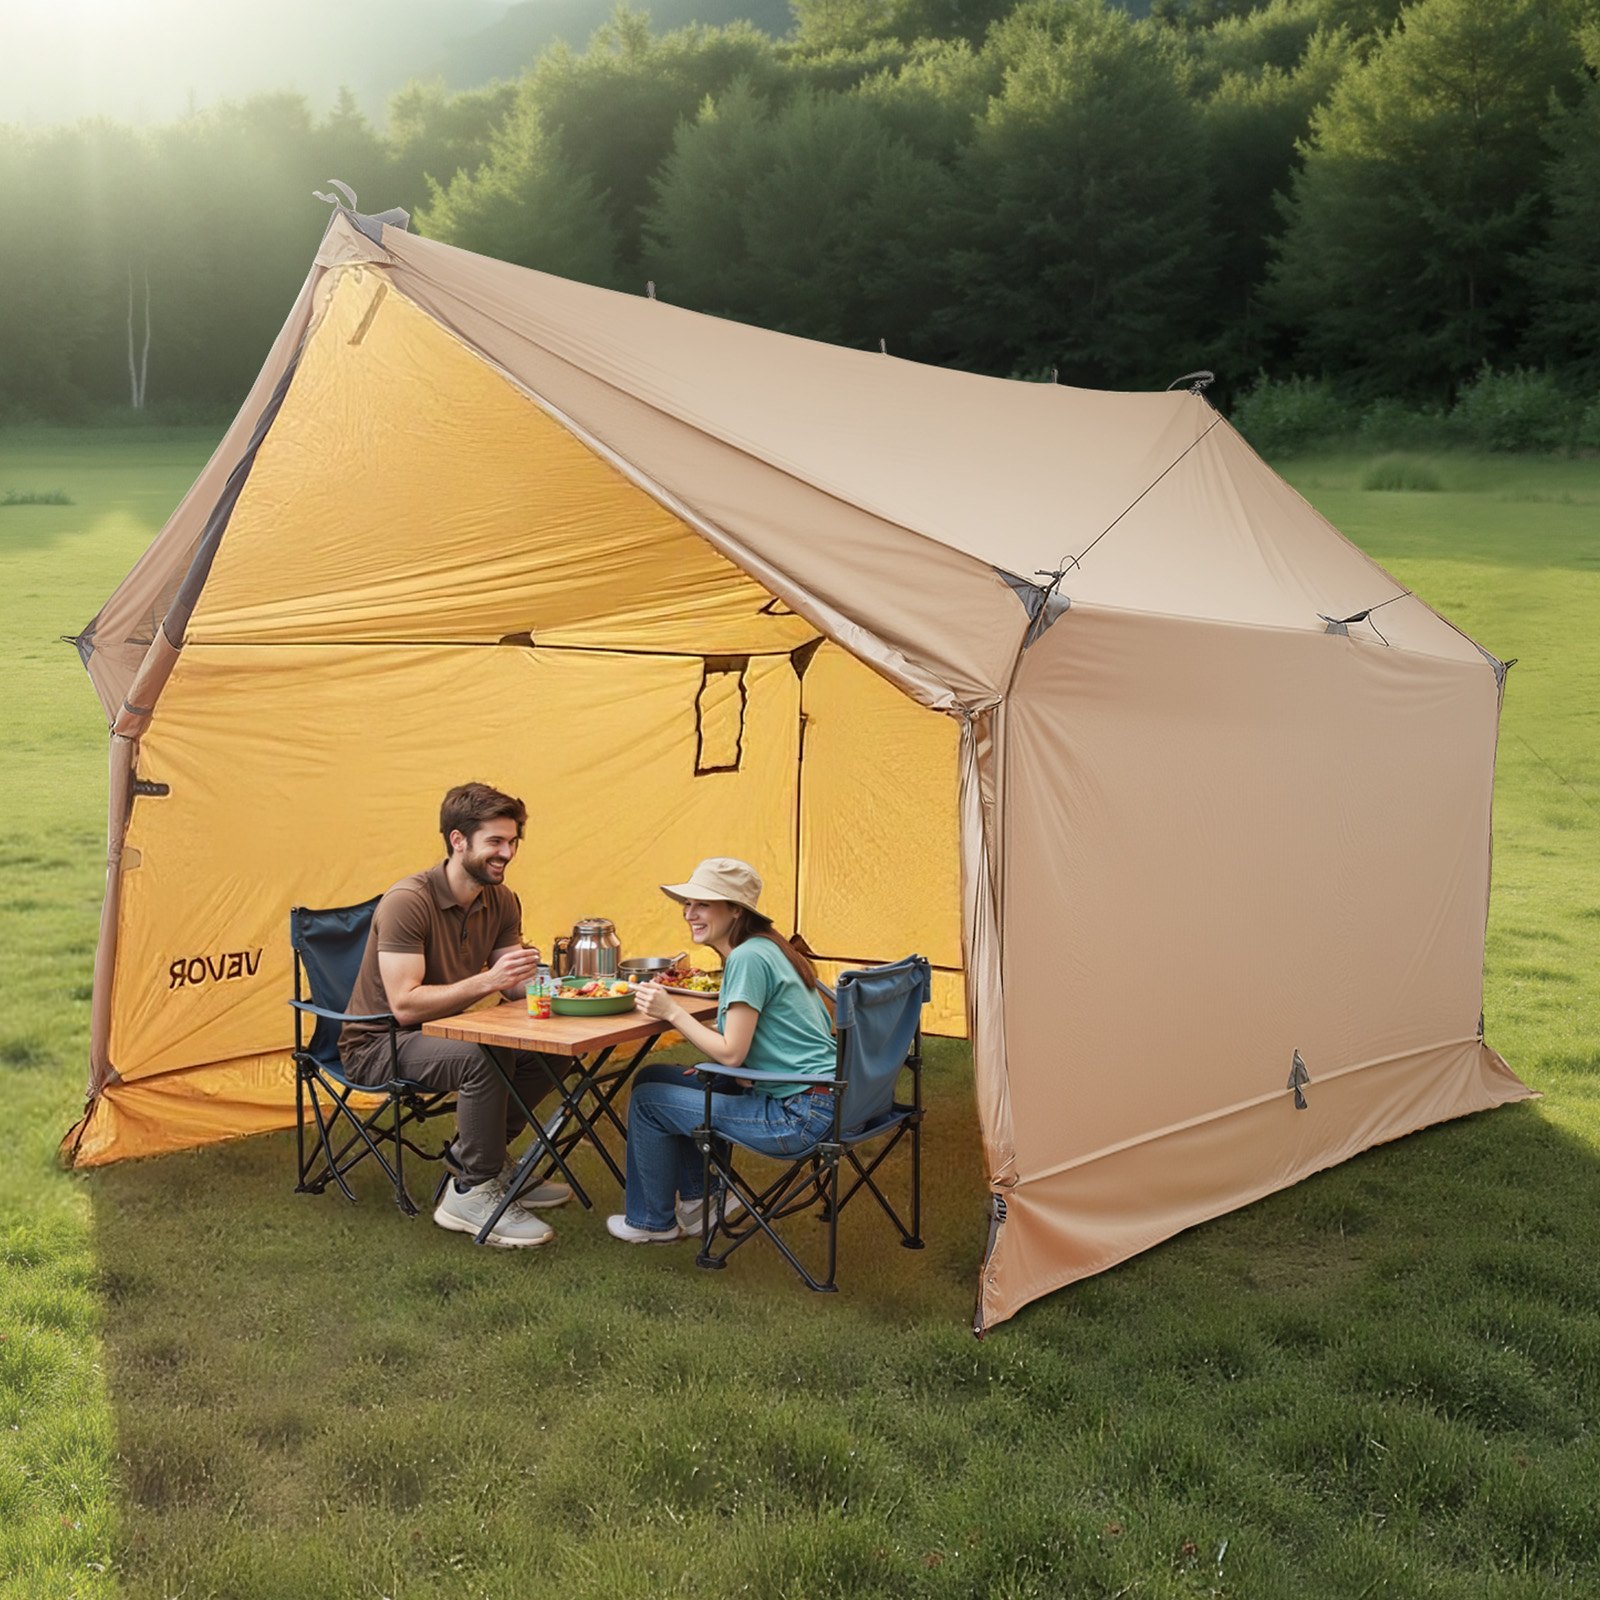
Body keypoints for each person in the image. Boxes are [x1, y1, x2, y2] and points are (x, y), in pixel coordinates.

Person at [340, 782, 570, 1248]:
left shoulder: (501, 899)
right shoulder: (408, 901)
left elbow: (512, 985)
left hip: (445, 1033)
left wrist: (569, 989)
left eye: (513, 842)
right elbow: (404, 1004)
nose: (507, 853)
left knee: (554, 1049)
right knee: (483, 1057)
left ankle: (489, 1162)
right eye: (496, 842)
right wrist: (487, 981)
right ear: (458, 840)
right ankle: (470, 1191)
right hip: (380, 1043)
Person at [607, 857, 837, 1243]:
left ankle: (651, 1222)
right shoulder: (767, 947)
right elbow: (755, 1038)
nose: (689, 914)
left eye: (703, 904)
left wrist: (671, 1011)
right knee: (654, 1077)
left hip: (799, 1117)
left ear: (735, 910)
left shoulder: (747, 958)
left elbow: (731, 1054)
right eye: (687, 904)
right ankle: (701, 1203)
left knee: (649, 1103)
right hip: (826, 1097)